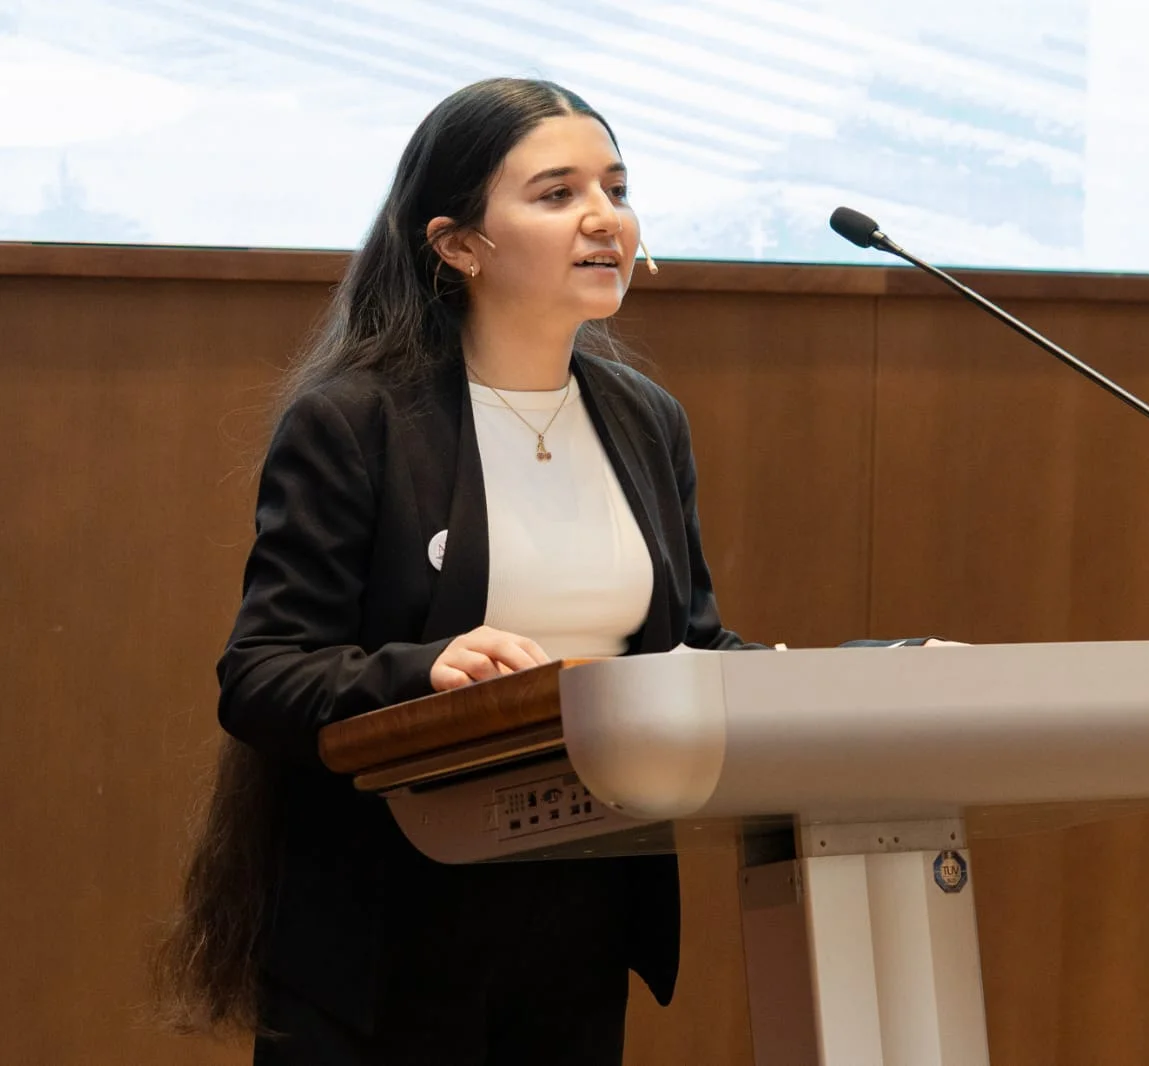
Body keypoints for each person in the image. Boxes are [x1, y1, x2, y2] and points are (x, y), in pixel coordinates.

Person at [154, 76, 933, 1066]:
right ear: (457, 244)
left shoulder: (644, 419)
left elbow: (688, 651)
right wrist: (425, 669)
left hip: (582, 908)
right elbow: (263, 676)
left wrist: (871, 672)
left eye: (616, 188)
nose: (605, 217)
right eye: (558, 193)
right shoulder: (358, 421)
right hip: (388, 933)